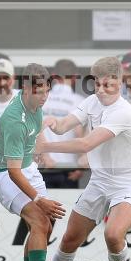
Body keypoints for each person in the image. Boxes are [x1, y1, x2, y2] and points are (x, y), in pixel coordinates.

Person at [38, 56, 131, 261]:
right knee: (70, 238)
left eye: (106, 85)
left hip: (130, 182)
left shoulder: (123, 112)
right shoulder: (91, 102)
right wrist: (50, 122)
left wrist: (44, 148)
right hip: (100, 181)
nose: (100, 90)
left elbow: (86, 144)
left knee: (113, 234)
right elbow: (63, 126)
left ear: (119, 83)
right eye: (97, 84)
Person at [0, 63, 66, 261]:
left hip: (27, 167)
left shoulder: (35, 106)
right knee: (39, 219)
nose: (45, 96)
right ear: (27, 89)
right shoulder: (15, 119)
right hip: (2, 171)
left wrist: (42, 151)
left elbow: (35, 134)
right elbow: (13, 172)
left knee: (47, 223)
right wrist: (38, 199)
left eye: (47, 90)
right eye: (40, 91)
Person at [40, 59, 87, 189]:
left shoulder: (41, 98)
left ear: (53, 76)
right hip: (69, 168)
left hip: (43, 166)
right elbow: (80, 135)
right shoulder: (80, 102)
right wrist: (81, 166)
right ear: (74, 77)